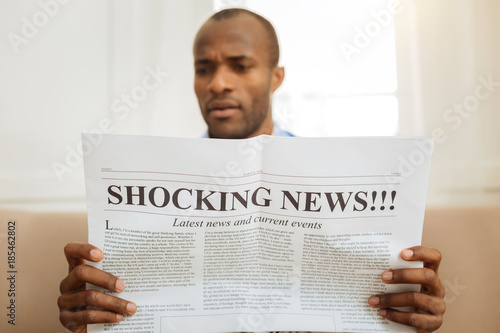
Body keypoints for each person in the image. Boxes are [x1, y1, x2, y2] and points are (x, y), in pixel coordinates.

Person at [58, 8, 445, 333]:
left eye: (240, 66)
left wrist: (411, 316)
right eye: (204, 68)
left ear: (275, 78)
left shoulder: (333, 175)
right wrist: (89, 317)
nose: (219, 83)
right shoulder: (151, 180)